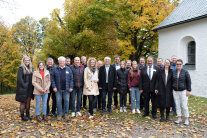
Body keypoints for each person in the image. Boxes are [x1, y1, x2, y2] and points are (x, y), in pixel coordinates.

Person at [51, 56, 73, 121]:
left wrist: (71, 87)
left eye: (63, 61)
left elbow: (71, 79)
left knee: (66, 101)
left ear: (65, 62)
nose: (62, 62)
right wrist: (54, 87)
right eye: (60, 61)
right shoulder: (55, 69)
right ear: (58, 62)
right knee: (58, 102)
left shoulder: (68, 69)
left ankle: (65, 114)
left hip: (67, 89)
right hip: (58, 89)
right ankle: (59, 114)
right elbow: (52, 79)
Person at [172, 59, 191, 125]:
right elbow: (172, 81)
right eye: (177, 64)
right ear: (176, 65)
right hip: (175, 91)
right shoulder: (173, 72)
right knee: (177, 105)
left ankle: (186, 119)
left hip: (183, 91)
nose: (178, 65)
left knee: (184, 106)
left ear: (182, 65)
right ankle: (179, 118)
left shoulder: (185, 72)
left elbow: (189, 81)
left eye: (180, 64)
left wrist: (188, 90)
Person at [15, 56, 34, 121]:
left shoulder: (31, 68)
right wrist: (25, 85)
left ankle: (28, 115)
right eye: (26, 60)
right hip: (22, 89)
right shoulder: (21, 68)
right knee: (23, 102)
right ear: (23, 61)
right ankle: (22, 116)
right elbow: (19, 79)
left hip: (30, 88)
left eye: (28, 60)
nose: (27, 61)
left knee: (28, 102)